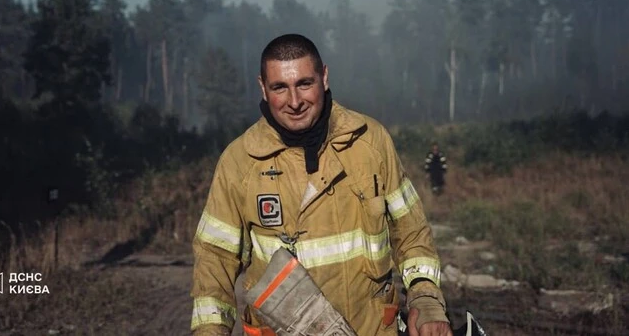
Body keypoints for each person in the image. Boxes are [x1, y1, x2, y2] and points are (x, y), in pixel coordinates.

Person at [191, 34, 452, 336]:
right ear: (263, 87)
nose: (295, 101)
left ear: (324, 77)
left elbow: (411, 232)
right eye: (280, 87)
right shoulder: (239, 162)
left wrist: (426, 296)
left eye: (304, 83)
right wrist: (209, 330)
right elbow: (214, 259)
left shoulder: (371, 144)